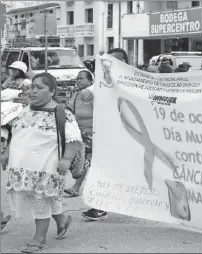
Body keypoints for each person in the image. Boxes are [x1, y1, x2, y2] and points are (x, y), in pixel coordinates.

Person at [4, 73, 84, 252]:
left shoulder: (62, 113)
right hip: (24, 168)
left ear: (52, 91)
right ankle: (63, 220)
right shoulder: (27, 109)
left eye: (39, 88)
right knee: (50, 198)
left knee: (40, 199)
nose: (33, 91)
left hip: (47, 167)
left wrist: (66, 159)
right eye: (32, 87)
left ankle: (39, 239)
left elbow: (74, 139)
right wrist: (7, 153)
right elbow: (16, 133)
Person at [80, 48, 129, 220]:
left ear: (124, 61)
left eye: (116, 59)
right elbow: (90, 94)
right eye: (109, 59)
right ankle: (98, 206)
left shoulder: (133, 82)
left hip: (129, 136)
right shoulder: (101, 83)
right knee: (102, 170)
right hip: (106, 136)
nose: (111, 62)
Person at [64, 70, 94, 198]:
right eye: (77, 79)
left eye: (82, 79)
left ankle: (76, 188)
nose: (78, 81)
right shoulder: (75, 94)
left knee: (84, 160)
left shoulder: (92, 94)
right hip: (77, 133)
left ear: (90, 81)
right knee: (79, 159)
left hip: (90, 133)